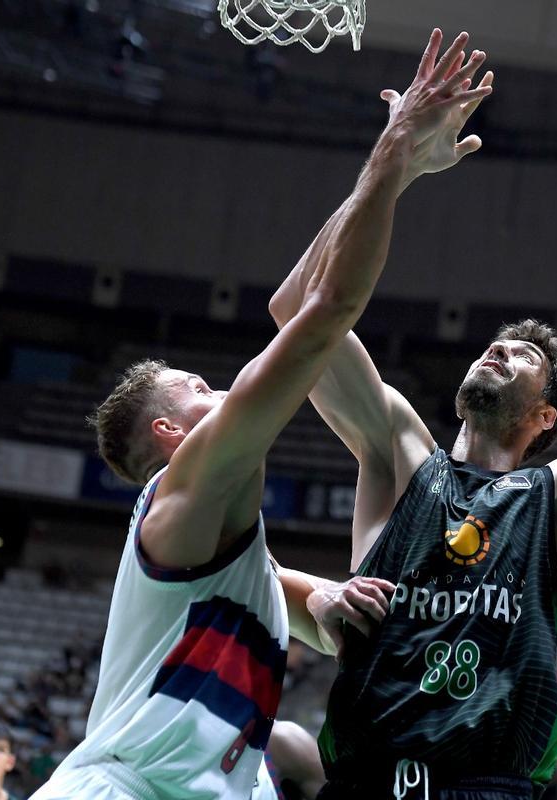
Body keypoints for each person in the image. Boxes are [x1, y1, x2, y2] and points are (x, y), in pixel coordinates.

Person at [31, 28, 492, 800]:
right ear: (172, 436)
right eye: (202, 390)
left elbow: (295, 601)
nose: (226, 394)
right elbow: (324, 311)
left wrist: (333, 600)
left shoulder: (220, 553)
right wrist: (394, 154)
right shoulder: (188, 487)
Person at [270, 116, 557, 796]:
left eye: (524, 356)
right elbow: (297, 311)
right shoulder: (399, 452)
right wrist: (392, 167)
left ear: (544, 417)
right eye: (495, 344)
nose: (499, 349)